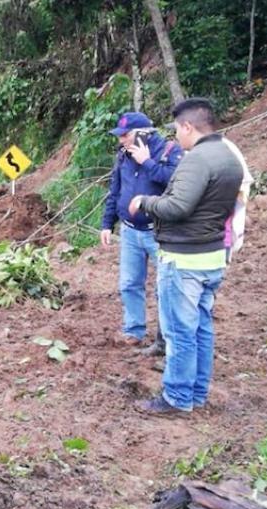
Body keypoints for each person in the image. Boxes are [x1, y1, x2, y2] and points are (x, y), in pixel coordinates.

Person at [129, 98, 249, 416]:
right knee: (201, 328)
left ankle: (177, 398)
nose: (176, 139)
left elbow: (177, 207)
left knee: (180, 331)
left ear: (188, 126)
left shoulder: (197, 159)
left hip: (184, 260)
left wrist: (145, 201)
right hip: (211, 256)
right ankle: (196, 392)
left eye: (177, 131)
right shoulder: (229, 156)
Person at [100, 111, 184, 353]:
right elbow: (115, 190)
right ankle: (134, 330)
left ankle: (167, 337)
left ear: (143, 134)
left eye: (125, 135)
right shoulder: (122, 156)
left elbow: (174, 183)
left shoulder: (170, 151)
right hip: (129, 231)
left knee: (165, 287)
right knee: (129, 283)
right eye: (120, 136)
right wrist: (107, 223)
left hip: (159, 232)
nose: (121, 140)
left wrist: (146, 162)